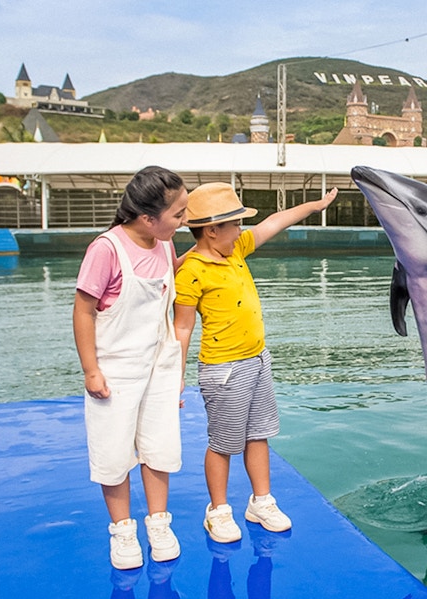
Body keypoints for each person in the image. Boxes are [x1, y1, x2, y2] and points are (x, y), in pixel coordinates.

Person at [174, 182, 338, 543]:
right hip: (223, 368)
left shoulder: (235, 250)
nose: (242, 230)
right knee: (223, 443)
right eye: (234, 224)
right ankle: (217, 510)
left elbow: (273, 223)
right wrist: (175, 376)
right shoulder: (192, 271)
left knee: (258, 434)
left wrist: (313, 206)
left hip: (257, 360)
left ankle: (260, 501)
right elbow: (182, 327)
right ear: (212, 230)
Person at [73, 165, 188, 570]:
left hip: (158, 365)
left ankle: (158, 523)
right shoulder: (106, 249)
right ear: (147, 217)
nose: (183, 220)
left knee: (159, 447)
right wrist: (91, 370)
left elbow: (167, 291)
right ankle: (123, 531)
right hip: (116, 369)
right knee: (114, 451)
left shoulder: (165, 245)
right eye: (178, 214)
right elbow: (84, 310)